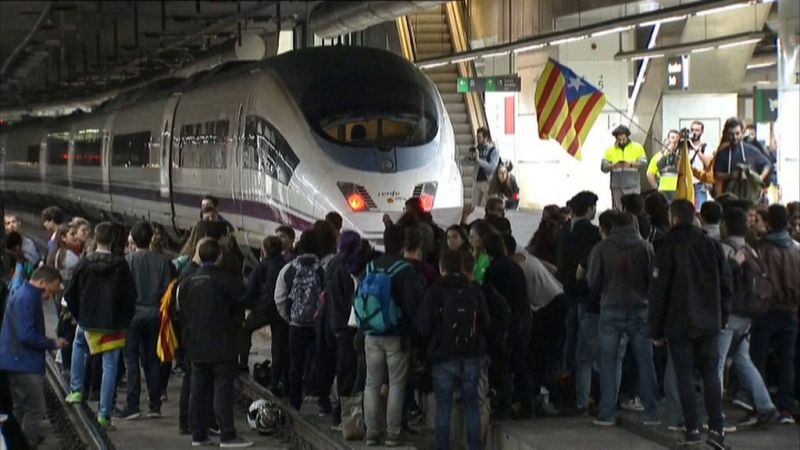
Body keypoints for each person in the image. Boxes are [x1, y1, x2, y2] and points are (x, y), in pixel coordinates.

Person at [649, 200, 733, 448]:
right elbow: (727, 287)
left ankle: (692, 428)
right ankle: (717, 429)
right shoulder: (712, 245)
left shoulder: (666, 247)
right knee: (711, 375)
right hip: (710, 323)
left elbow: (658, 292)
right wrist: (722, 317)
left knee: (683, 376)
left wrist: (655, 329)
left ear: (673, 218)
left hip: (678, 323)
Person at [177, 239, 252, 448]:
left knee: (197, 390)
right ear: (219, 256)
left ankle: (198, 435)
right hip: (223, 344)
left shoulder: (188, 281)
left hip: (196, 345)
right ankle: (227, 434)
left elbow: (181, 312)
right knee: (222, 390)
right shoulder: (226, 281)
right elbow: (242, 301)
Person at [587, 212, 659, 426]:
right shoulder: (646, 248)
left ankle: (607, 412)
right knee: (645, 361)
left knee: (608, 362)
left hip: (610, 309)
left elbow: (592, 281)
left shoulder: (601, 248)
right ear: (634, 224)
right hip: (640, 309)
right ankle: (652, 412)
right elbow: (653, 280)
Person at [64, 222, 137, 430]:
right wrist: (123, 321)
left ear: (95, 238)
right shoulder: (121, 265)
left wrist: (80, 316)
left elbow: (70, 293)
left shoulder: (84, 262)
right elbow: (130, 297)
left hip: (87, 321)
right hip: (112, 325)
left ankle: (77, 389)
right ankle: (104, 414)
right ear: (114, 240)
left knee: (79, 345)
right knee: (110, 366)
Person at [417, 250, 491, 450]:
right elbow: (486, 322)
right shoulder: (474, 290)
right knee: (472, 406)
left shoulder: (435, 291)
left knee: (444, 409)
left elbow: (423, 326)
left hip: (443, 356)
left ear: (442, 268)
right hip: (471, 355)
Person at [362, 225, 425, 446]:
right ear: (401, 244)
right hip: (396, 335)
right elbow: (412, 305)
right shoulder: (405, 269)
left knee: (371, 383)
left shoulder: (370, 266)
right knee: (397, 384)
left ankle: (371, 432)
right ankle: (393, 433)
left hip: (371, 332)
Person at [718, 207, 779, 427]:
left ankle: (716, 415)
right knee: (743, 361)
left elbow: (719, 279)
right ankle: (766, 407)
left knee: (717, 362)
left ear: (725, 224)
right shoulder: (751, 249)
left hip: (727, 314)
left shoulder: (724, 248)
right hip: (748, 316)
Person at [0, 266, 67, 447]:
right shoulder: (27, 298)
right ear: (41, 282)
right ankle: (25, 443)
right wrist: (52, 343)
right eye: (49, 291)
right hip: (23, 362)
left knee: (21, 406)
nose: (49, 297)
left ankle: (14, 442)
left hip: (16, 360)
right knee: (35, 407)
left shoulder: (26, 294)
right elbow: (26, 334)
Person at [117, 221, 175, 420]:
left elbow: (122, 292)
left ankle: (132, 405)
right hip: (155, 315)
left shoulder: (127, 261)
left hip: (132, 316)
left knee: (131, 360)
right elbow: (168, 292)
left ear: (133, 238)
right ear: (151, 238)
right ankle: (154, 404)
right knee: (152, 360)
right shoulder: (164, 262)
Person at [751, 204, 800, 424]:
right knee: (786, 359)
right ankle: (786, 406)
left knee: (758, 358)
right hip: (791, 310)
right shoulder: (796, 248)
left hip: (765, 310)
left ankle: (759, 405)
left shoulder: (762, 248)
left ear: (769, 222)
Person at [556, 191, 601, 409]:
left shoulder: (564, 230)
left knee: (571, 338)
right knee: (587, 346)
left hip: (568, 291)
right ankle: (587, 393)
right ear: (590, 208)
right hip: (586, 294)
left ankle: (567, 377)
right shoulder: (592, 233)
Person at [274, 231, 325, 411]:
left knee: (295, 363)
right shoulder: (322, 269)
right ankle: (322, 400)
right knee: (320, 360)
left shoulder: (289, 268)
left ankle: (294, 402)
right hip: (317, 325)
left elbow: (279, 296)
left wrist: (289, 317)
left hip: (295, 326)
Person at [239, 236, 286, 374]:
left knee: (246, 330)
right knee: (277, 345)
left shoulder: (261, 266)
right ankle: (276, 376)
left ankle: (243, 363)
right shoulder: (286, 264)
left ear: (264, 250)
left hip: (262, 309)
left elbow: (251, 290)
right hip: (280, 310)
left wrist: (245, 305)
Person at [713, 117, 771, 199]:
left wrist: (759, 178)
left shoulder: (751, 150)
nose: (734, 137)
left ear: (742, 133)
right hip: (730, 197)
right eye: (731, 134)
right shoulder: (722, 153)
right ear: (726, 134)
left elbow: (767, 164)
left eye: (737, 133)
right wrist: (731, 175)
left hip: (750, 196)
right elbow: (716, 174)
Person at [601, 125, 648, 211]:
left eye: (624, 139)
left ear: (627, 136)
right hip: (617, 186)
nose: (622, 142)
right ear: (616, 138)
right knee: (618, 211)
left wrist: (630, 164)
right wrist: (614, 165)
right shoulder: (610, 150)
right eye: (619, 140)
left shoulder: (637, 147)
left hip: (633, 186)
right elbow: (604, 167)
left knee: (635, 210)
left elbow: (644, 164)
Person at [468, 127, 500, 207]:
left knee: (487, 206)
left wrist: (478, 160)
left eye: (479, 137)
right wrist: (471, 158)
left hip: (487, 182)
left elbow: (492, 168)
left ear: (486, 138)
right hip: (476, 181)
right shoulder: (477, 148)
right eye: (477, 137)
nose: (478, 139)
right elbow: (465, 162)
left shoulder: (493, 150)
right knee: (474, 206)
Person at [646, 130, 681, 202]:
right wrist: (656, 187)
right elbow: (649, 173)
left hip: (677, 189)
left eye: (677, 139)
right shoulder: (658, 156)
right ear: (667, 139)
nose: (674, 141)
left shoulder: (679, 156)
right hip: (663, 189)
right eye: (672, 138)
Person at [687, 121, 714, 209]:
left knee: (701, 209)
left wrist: (695, 148)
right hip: (687, 183)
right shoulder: (685, 147)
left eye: (697, 130)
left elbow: (707, 162)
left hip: (700, 183)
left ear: (702, 132)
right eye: (692, 130)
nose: (694, 132)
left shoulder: (706, 147)